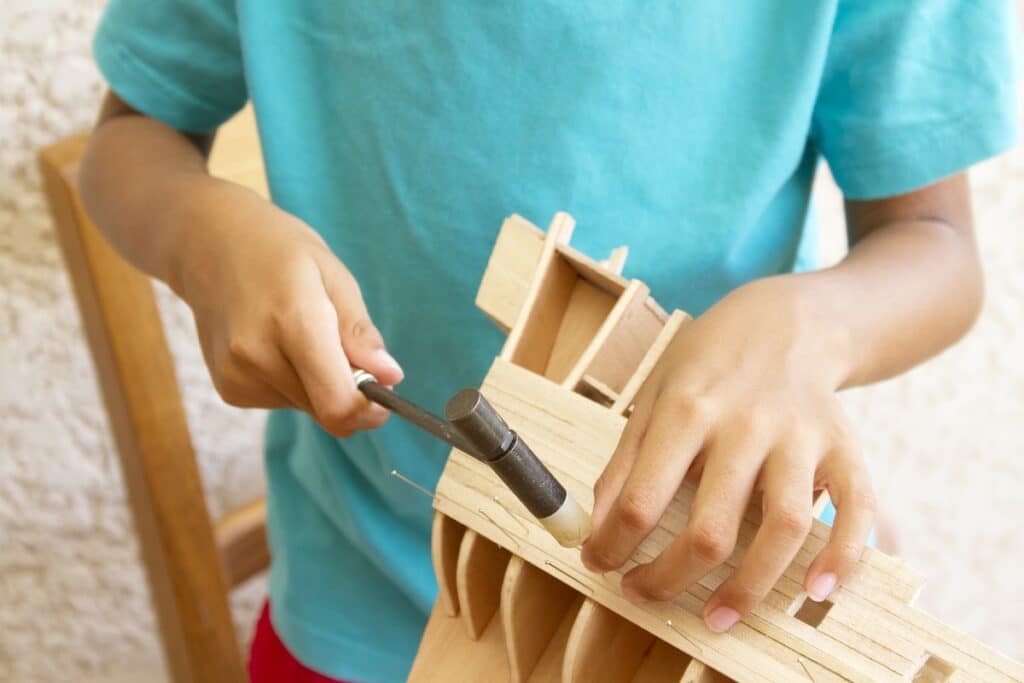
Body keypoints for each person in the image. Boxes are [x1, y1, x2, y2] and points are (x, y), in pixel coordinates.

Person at [80, 2, 1018, 681]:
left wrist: (807, 331)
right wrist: (201, 236)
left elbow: (934, 246)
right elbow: (129, 139)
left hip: (711, 602)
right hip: (362, 599)